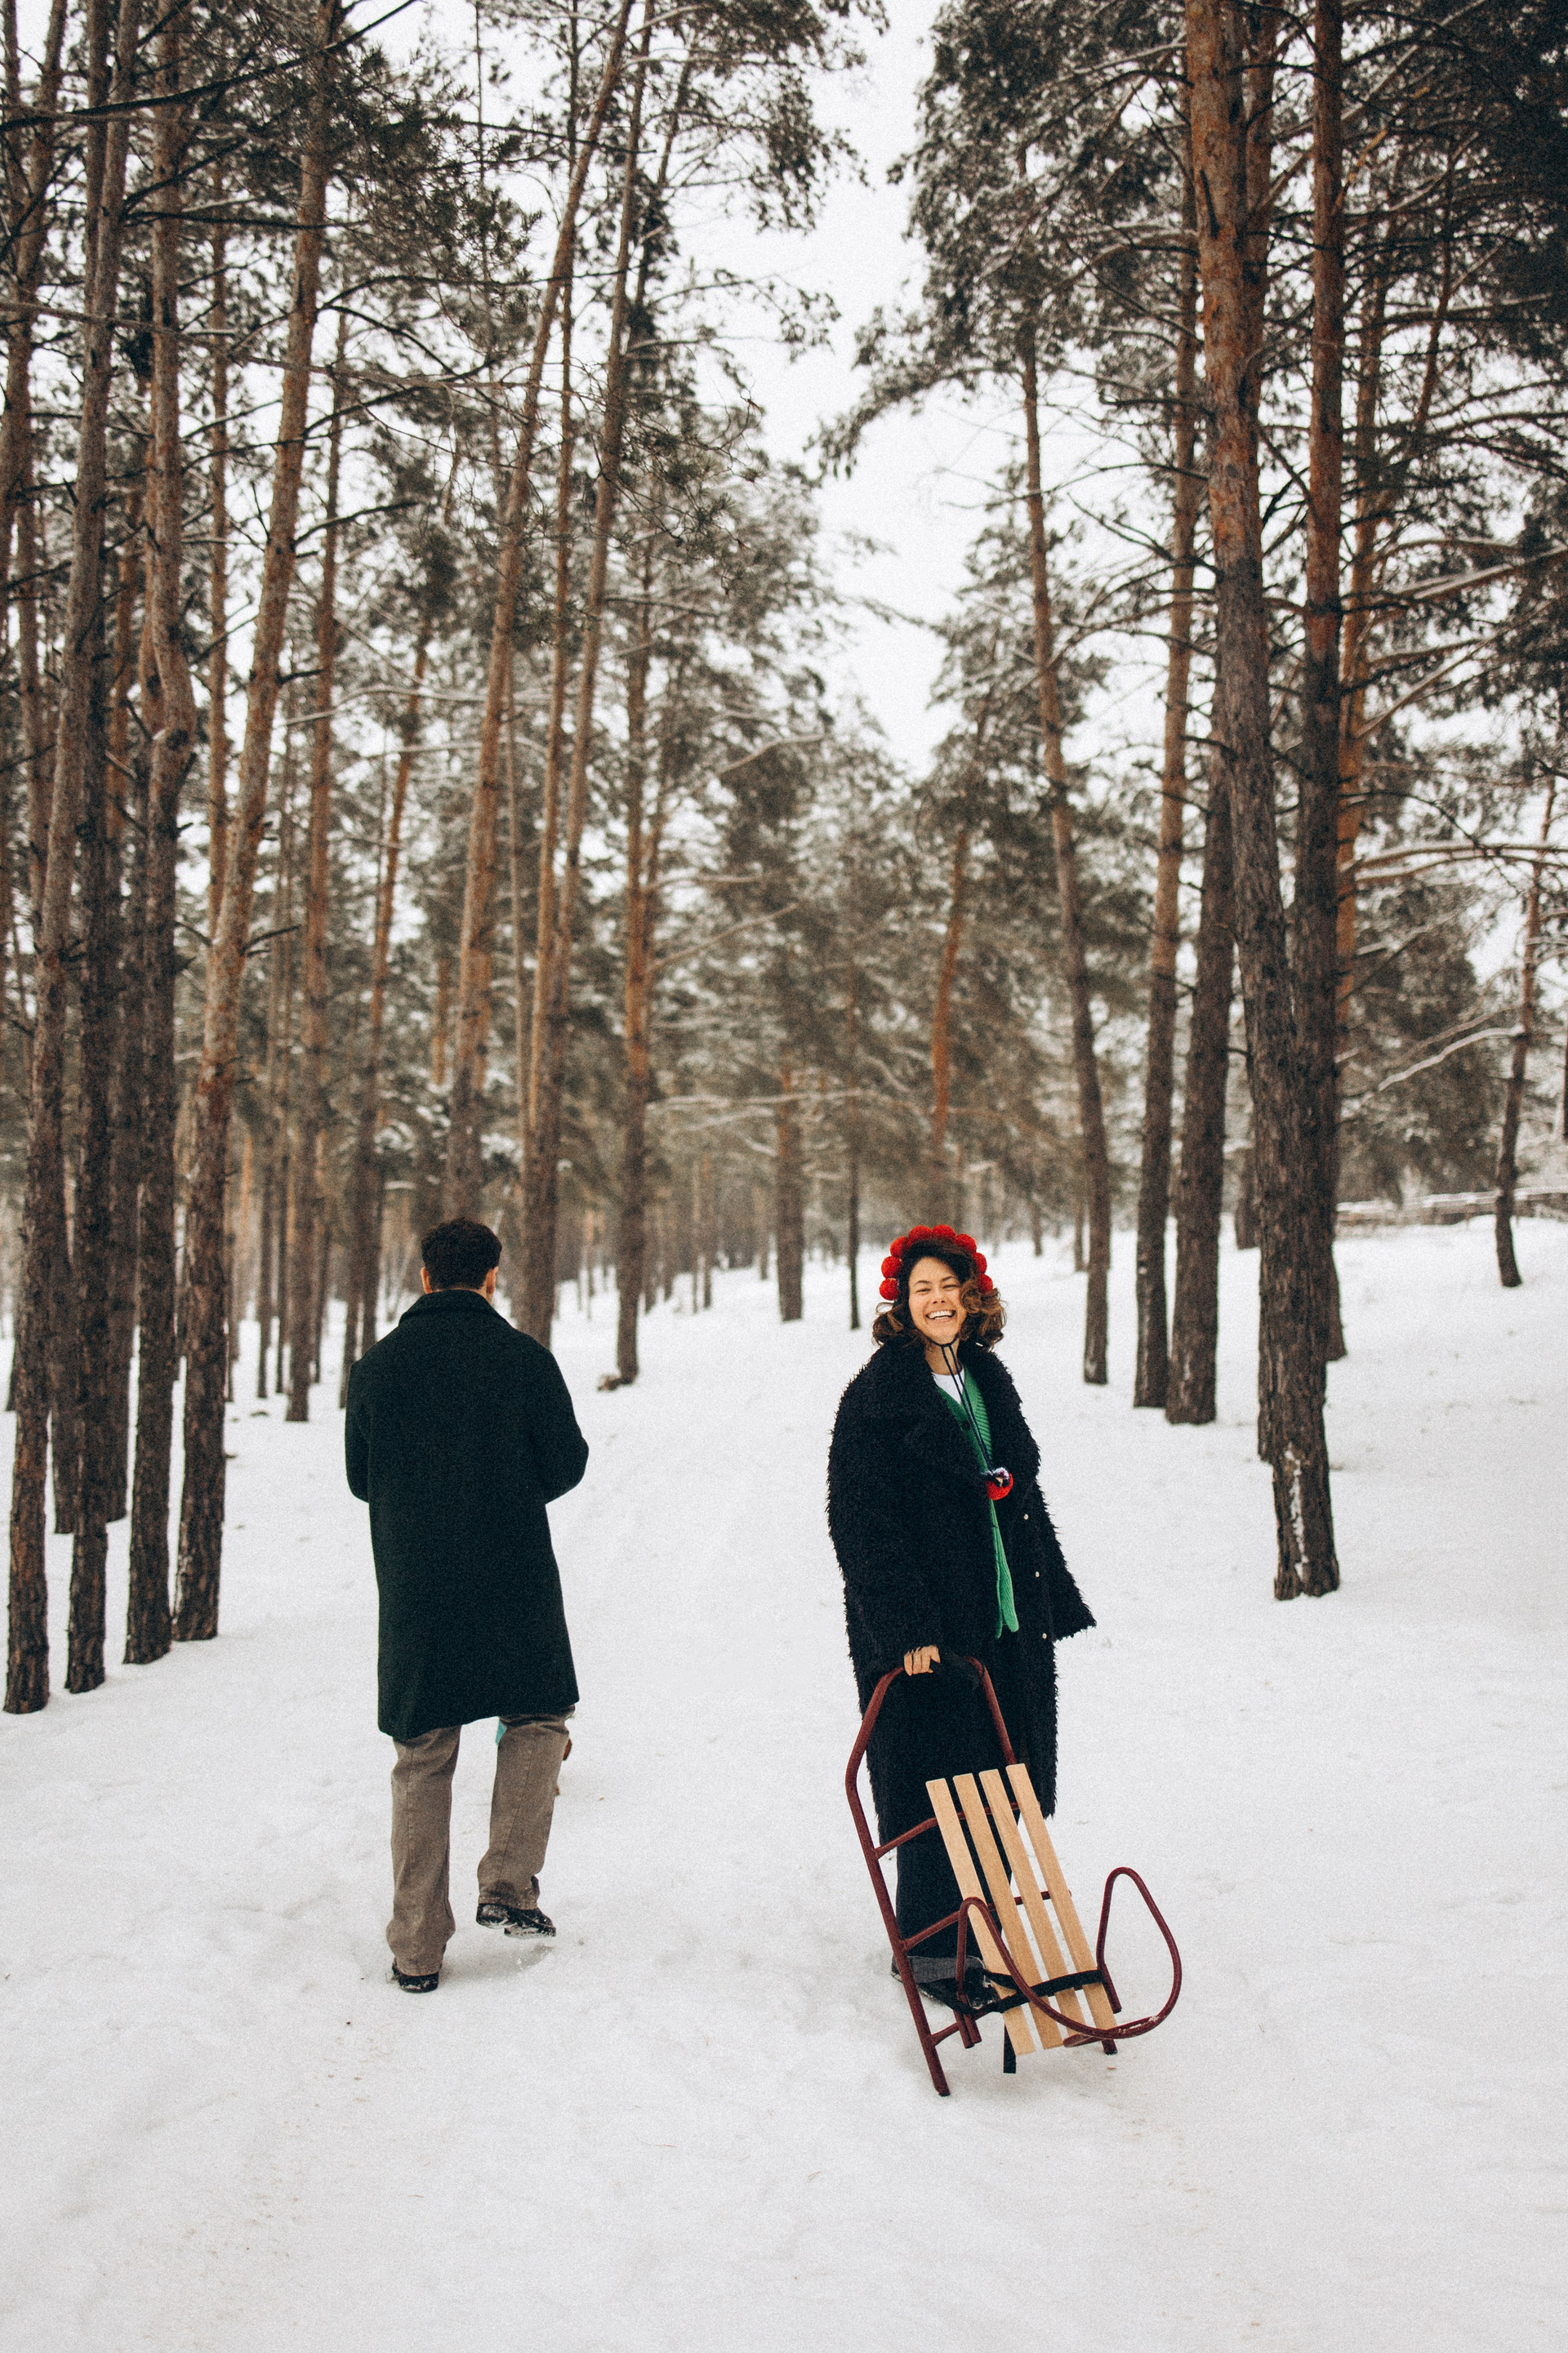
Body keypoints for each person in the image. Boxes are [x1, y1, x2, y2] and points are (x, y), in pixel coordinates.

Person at [826, 1224, 1094, 2006]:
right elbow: (860, 1523)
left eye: (950, 1287)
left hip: (1004, 1618)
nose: (938, 1301)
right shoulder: (877, 1397)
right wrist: (907, 1630)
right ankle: (933, 1951)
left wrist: (1050, 1595)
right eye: (923, 1290)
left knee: (1004, 1776)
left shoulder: (986, 1377)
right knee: (937, 1782)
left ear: (973, 1297)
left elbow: (1021, 1494)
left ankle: (986, 1930)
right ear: (901, 1304)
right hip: (931, 1632)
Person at [345, 1217, 589, 1992]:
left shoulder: (377, 1367)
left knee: (422, 1751)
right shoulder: (524, 1358)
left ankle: (417, 1947)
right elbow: (567, 1462)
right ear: (492, 1277)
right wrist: (505, 1485)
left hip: (416, 1582)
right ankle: (508, 1886)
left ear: (424, 1277)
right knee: (538, 1716)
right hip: (513, 1569)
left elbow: (360, 1477)